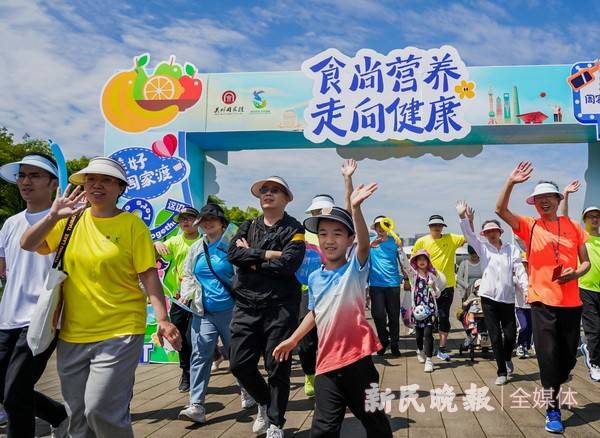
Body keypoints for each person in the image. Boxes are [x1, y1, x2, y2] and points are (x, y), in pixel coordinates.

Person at [20, 157, 181, 438]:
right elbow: (28, 244)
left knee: (100, 409)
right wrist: (52, 216)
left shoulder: (132, 225)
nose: (97, 185)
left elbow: (148, 274)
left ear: (119, 188)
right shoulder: (68, 221)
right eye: (91, 180)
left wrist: (163, 319)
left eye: (106, 180)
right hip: (72, 333)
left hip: (120, 330)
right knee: (77, 417)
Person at [273, 184, 393, 438]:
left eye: (338, 234)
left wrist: (357, 208)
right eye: (324, 233)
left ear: (349, 240)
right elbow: (315, 312)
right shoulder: (315, 277)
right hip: (326, 365)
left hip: (358, 363)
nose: (329, 240)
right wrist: (293, 339)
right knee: (323, 430)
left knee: (376, 424)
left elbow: (362, 245)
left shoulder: (355, 270)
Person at [495, 162, 590, 434]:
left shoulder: (572, 227)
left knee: (567, 359)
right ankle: (552, 410)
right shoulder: (529, 225)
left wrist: (575, 274)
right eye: (539, 199)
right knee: (547, 356)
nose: (544, 202)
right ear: (534, 204)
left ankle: (560, 376)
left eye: (549, 197)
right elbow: (500, 210)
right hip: (541, 301)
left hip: (571, 303)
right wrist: (511, 181)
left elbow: (586, 264)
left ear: (558, 199)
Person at [227, 176, 305, 438]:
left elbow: (288, 265)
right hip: (246, 305)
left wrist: (251, 258)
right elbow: (233, 255)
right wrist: (267, 254)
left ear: (286, 198)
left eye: (275, 190)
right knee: (239, 364)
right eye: (264, 191)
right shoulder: (246, 225)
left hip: (280, 307)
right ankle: (263, 401)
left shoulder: (295, 229)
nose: (268, 194)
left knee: (278, 368)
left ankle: (275, 423)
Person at [0, 153, 69, 437]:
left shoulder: (67, 221)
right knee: (6, 390)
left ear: (54, 183)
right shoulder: (10, 224)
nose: (25, 181)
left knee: (15, 393)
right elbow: (5, 269)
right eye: (22, 175)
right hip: (7, 318)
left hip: (42, 318)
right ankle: (58, 415)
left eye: (34, 175)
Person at [178, 203, 255, 423]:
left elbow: (244, 275)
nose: (208, 222)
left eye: (213, 218)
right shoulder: (196, 248)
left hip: (232, 311)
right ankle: (196, 405)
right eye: (203, 220)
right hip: (203, 312)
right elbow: (189, 275)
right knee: (199, 357)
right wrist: (188, 294)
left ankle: (248, 391)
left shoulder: (232, 246)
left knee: (238, 356)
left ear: (222, 222)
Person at [457, 200, 524, 385]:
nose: (491, 234)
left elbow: (519, 270)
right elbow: (469, 236)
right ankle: (501, 371)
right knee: (494, 336)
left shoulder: (511, 249)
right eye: (487, 232)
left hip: (508, 298)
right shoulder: (483, 249)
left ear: (499, 232)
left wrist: (526, 290)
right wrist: (463, 217)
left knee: (510, 336)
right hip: (487, 298)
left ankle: (507, 357)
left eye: (494, 231)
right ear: (484, 234)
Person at [154, 206, 202, 393]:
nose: (185, 221)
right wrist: (156, 243)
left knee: (199, 336)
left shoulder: (205, 240)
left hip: (202, 298)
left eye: (189, 217)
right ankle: (187, 373)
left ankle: (212, 357)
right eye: (182, 219)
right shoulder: (174, 241)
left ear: (198, 220)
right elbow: (154, 254)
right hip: (179, 298)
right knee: (180, 336)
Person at [560, 182, 600, 381]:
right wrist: (566, 194)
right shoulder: (581, 236)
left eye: (597, 216)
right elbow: (564, 218)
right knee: (594, 329)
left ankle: (589, 350)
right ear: (584, 219)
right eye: (591, 216)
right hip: (585, 287)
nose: (595, 219)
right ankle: (594, 362)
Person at [412, 214, 465, 360]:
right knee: (425, 318)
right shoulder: (421, 241)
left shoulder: (451, 238)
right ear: (429, 227)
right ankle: (422, 347)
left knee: (443, 316)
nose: (437, 227)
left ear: (443, 227)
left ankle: (441, 348)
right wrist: (413, 283)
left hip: (446, 286)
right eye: (434, 225)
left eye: (439, 225)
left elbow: (468, 236)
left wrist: (466, 221)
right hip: (426, 287)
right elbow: (414, 262)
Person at [299, 194, 335, 398]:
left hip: (332, 291)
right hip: (306, 291)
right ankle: (309, 374)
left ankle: (330, 375)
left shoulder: (339, 233)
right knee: (306, 341)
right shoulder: (300, 234)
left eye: (322, 211)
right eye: (315, 211)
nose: (318, 214)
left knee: (330, 337)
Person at [397, 247, 445, 373]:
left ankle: (429, 360)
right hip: (417, 311)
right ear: (416, 261)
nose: (422, 261)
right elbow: (405, 265)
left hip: (429, 310)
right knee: (419, 335)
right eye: (419, 259)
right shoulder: (413, 275)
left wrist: (434, 288)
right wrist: (401, 250)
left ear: (428, 261)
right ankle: (419, 349)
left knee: (428, 334)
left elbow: (438, 294)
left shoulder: (432, 276)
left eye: (425, 259)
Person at [369, 216, 403, 357]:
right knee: (378, 315)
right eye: (378, 226)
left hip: (393, 284)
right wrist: (370, 245)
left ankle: (394, 343)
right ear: (375, 228)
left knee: (394, 316)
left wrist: (407, 279)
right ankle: (383, 340)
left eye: (384, 226)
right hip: (376, 284)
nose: (381, 229)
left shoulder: (395, 242)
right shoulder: (370, 243)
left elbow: (403, 261)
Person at [514, 258, 532, 359]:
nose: (524, 267)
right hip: (520, 307)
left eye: (526, 264)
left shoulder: (533, 276)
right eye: (523, 264)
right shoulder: (516, 277)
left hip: (531, 307)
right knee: (523, 326)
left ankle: (526, 346)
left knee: (530, 328)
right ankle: (520, 345)